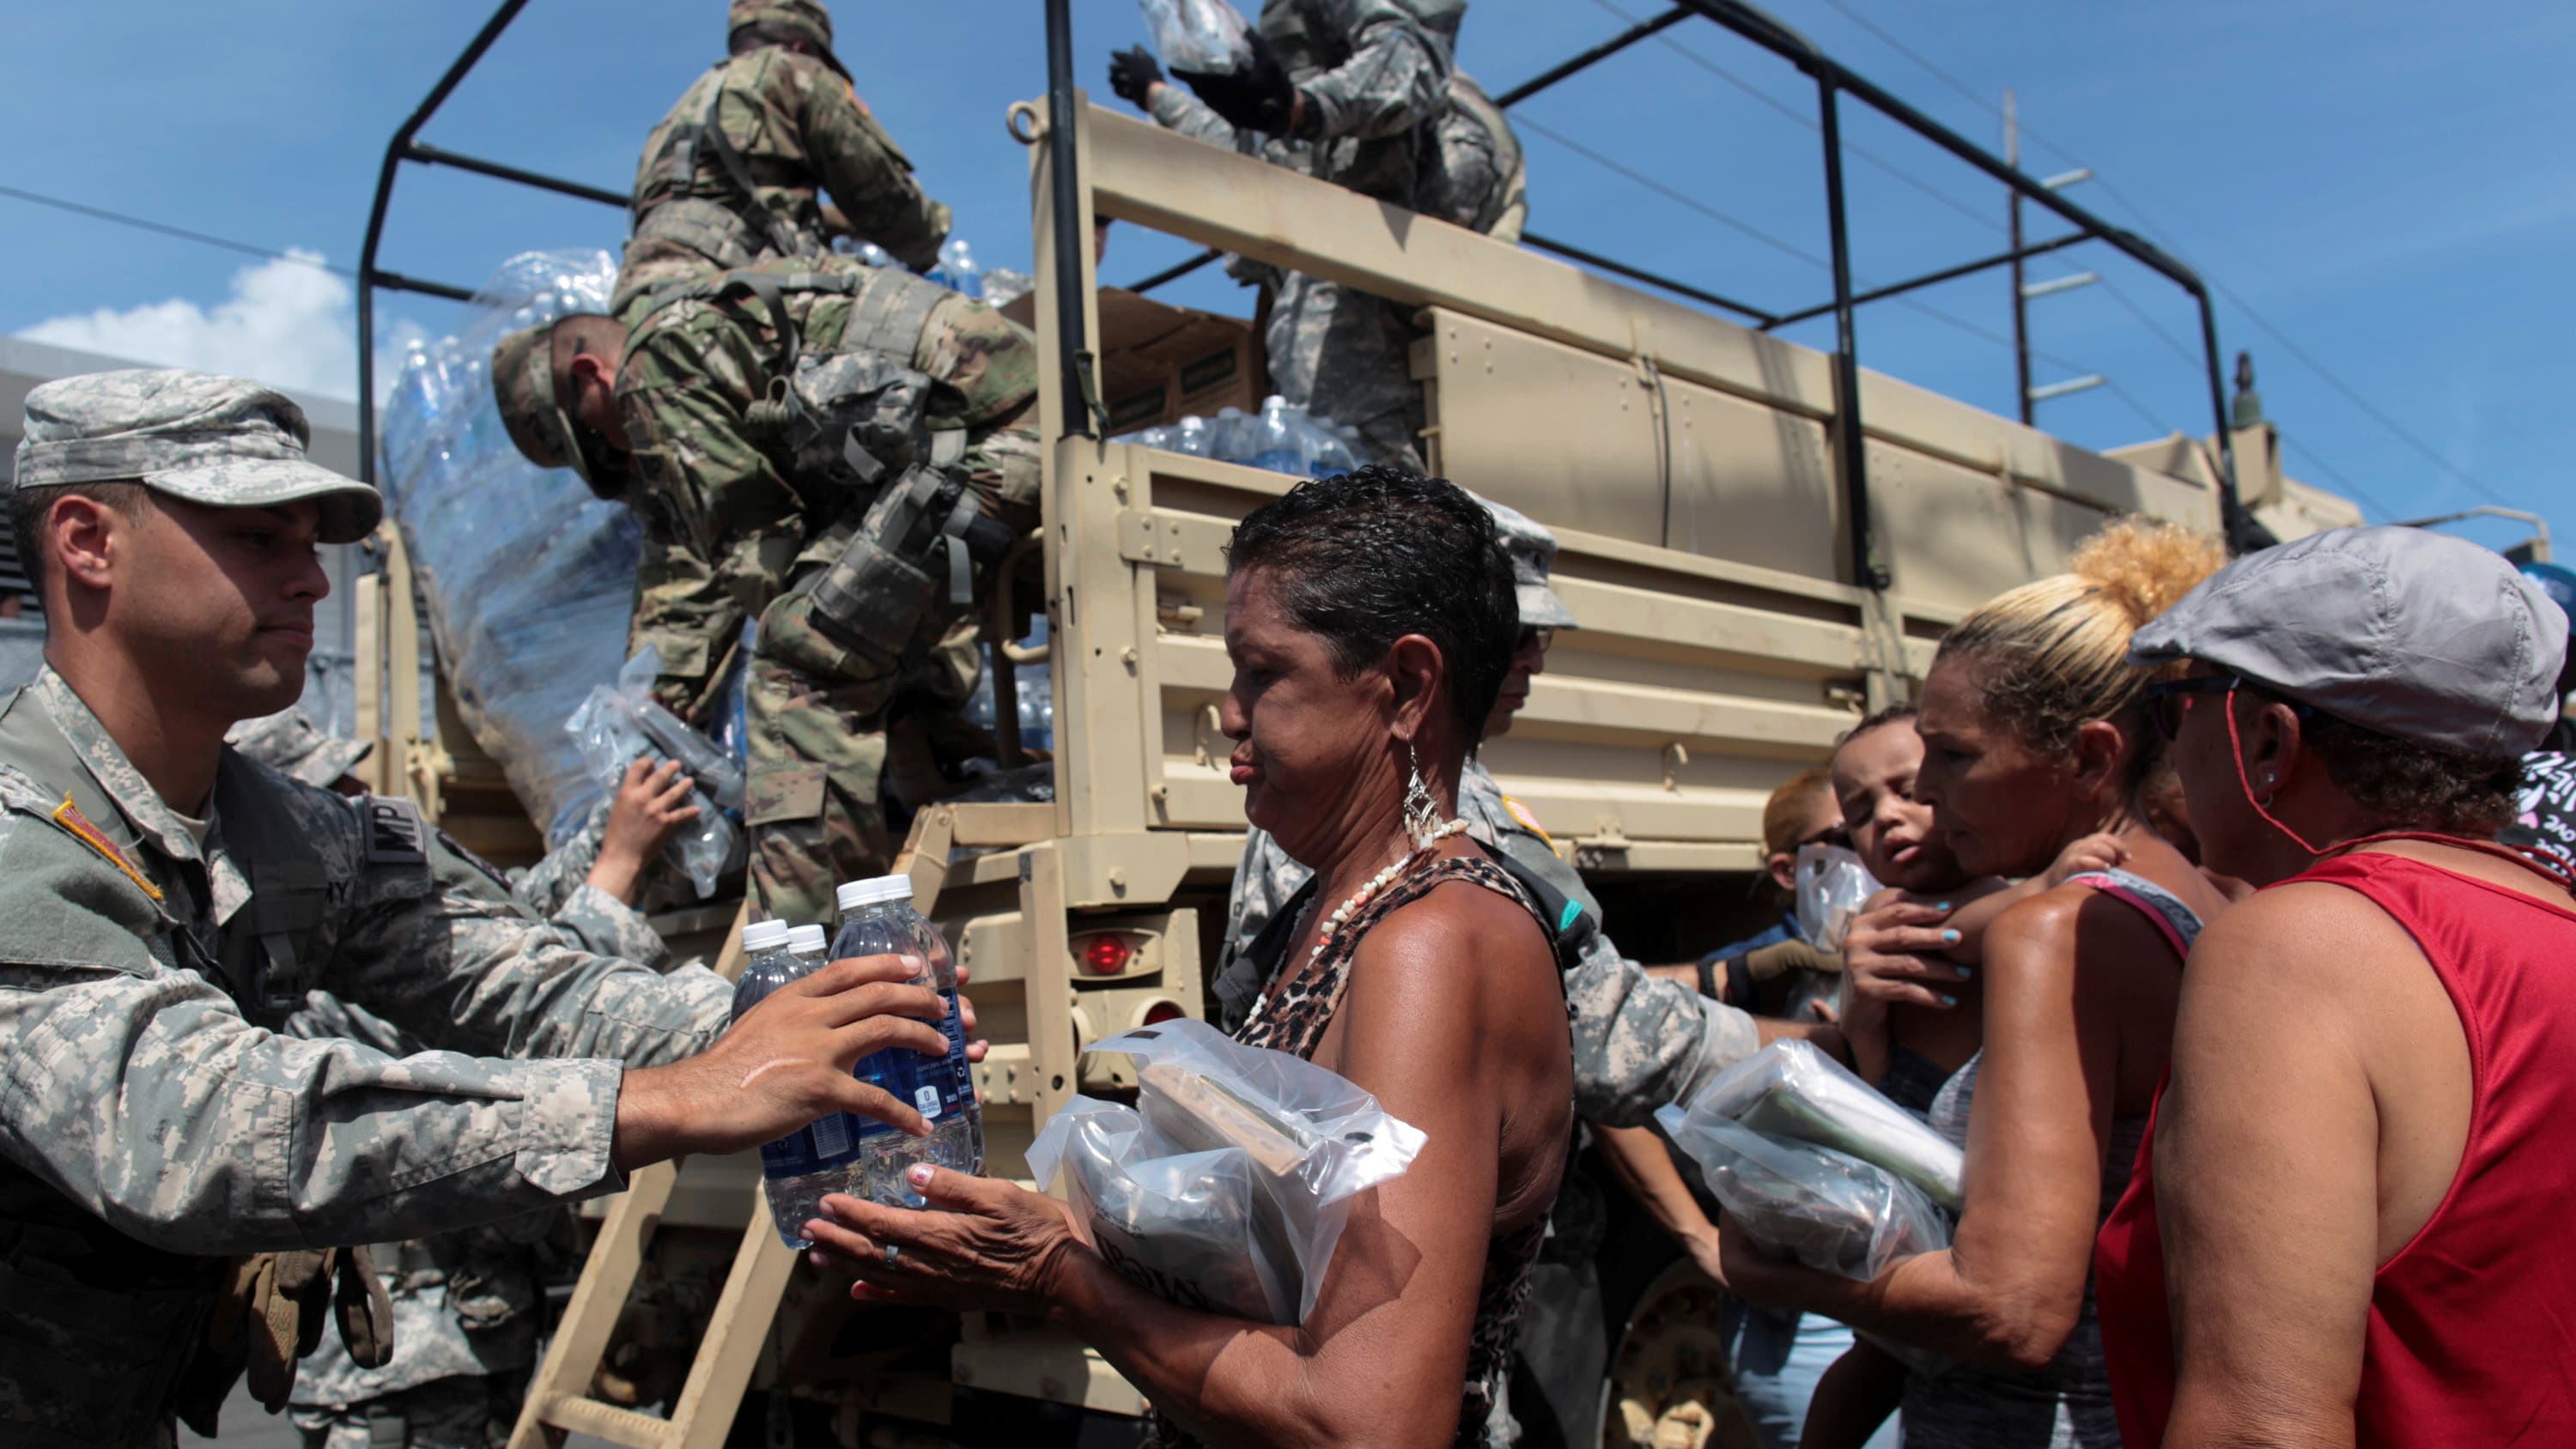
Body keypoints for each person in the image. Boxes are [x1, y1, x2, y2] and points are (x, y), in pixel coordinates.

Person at [0, 369, 966, 1446]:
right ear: (88, 539)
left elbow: (516, 975)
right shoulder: (16, 830)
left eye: (310, 541)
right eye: (258, 536)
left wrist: (807, 1025)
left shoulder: (282, 831)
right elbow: (192, 1128)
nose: (311, 580)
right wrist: (665, 1098)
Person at [801, 467, 1574, 1447]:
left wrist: (1060, 1278)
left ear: (1407, 686)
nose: (1231, 712)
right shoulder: (1334, 904)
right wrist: (1033, 1231)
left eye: (1265, 671)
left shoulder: (1435, 943)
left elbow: (1371, 1422)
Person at [1717, 518, 2233, 1449]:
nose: (1932, 797)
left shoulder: (2058, 931)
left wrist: (1774, 1276)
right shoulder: (2200, 893)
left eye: (1954, 759)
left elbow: (2014, 1309)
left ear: (2088, 757)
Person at [2094, 526, 2576, 1446]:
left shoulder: (2295, 949)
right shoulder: (2554, 919)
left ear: (2269, 737)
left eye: (2179, 706)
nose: (2173, 745)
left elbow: (2258, 1426)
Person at [491, 251, 1038, 928]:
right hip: (991, 424)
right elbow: (697, 562)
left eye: (598, 438)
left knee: (796, 662)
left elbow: (753, 547)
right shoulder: (697, 318)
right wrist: (672, 691)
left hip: (992, 440)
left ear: (590, 375)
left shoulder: (649, 370)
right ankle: (939, 789)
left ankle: (809, 953)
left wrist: (681, 711)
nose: (618, 452)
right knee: (846, 628)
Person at [1219, 494, 1776, 1128]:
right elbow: (1607, 1041)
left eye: (1539, 637)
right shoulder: (1429, 821)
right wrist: (1803, 1057)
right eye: (1511, 634)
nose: (1532, 658)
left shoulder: (1332, 795)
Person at [222, 714, 700, 1448]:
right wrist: (616, 870)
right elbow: (501, 1024)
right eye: (322, 790)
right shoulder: (314, 968)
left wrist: (612, 822)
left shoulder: (329, 901)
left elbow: (497, 918)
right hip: (406, 1367)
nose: (352, 798)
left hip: (461, 1338)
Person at [1597, 766, 1890, 1449]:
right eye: (1846, 833)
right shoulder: (1756, 973)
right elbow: (1602, 1060)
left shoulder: (1927, 947)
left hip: (1908, 1294)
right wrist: (1698, 1238)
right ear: (1791, 870)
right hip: (1805, 1317)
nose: (1878, 840)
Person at [1109, 1, 1523, 470]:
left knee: (1322, 310)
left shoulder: (1430, 106)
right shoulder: (1321, 129)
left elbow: (1403, 60)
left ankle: (1390, 507)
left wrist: (1301, 109)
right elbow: (1257, 154)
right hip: (1349, 364)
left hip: (1422, 303)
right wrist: (1160, 95)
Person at [615, 0, 949, 320]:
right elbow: (889, 206)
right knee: (958, 338)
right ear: (804, 47)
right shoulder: (794, 71)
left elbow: (732, 201)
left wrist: (832, 222)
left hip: (636, 306)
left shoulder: (681, 113)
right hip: (733, 299)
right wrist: (932, 233)